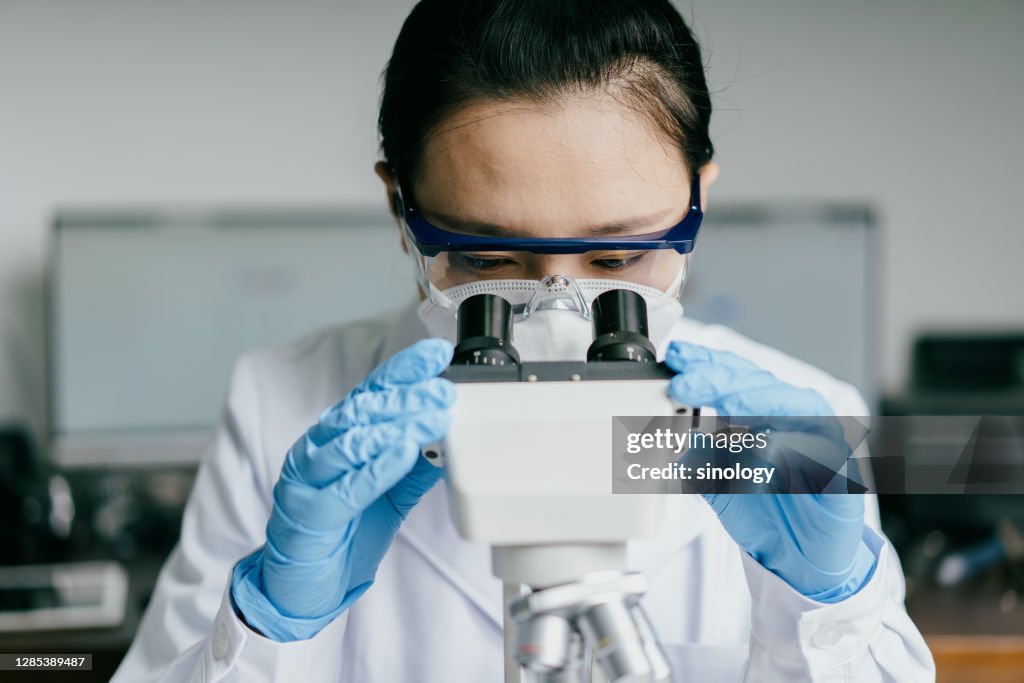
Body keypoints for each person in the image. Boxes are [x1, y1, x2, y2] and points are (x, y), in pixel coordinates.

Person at [113, 1, 935, 680]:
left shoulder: (809, 420)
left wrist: (829, 607)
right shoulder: (280, 406)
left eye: (617, 257)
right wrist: (270, 626)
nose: (559, 315)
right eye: (484, 257)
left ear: (697, 199)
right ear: (401, 209)